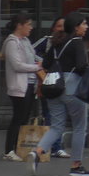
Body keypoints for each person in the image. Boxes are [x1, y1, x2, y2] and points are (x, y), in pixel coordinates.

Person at [31, 12, 89, 176]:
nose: (86, 27)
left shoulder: (56, 42)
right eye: (84, 24)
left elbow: (47, 63)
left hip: (53, 86)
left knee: (56, 126)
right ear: (76, 26)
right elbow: (80, 66)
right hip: (72, 88)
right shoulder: (77, 42)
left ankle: (38, 150)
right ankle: (76, 165)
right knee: (80, 126)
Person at [0, 13, 43, 161]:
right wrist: (36, 68)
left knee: (25, 117)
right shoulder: (12, 42)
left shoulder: (25, 41)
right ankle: (9, 150)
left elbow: (35, 57)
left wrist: (43, 63)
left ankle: (18, 147)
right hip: (19, 86)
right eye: (28, 24)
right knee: (18, 117)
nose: (31, 28)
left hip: (30, 84)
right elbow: (17, 65)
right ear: (19, 25)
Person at [32, 17, 69, 158]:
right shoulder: (47, 41)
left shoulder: (69, 43)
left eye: (63, 26)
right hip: (49, 83)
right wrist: (43, 63)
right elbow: (31, 51)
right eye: (59, 26)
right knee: (50, 115)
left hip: (63, 83)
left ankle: (52, 147)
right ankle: (54, 147)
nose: (61, 29)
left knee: (59, 116)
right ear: (53, 28)